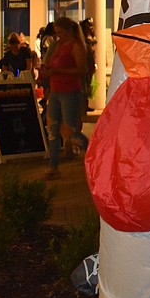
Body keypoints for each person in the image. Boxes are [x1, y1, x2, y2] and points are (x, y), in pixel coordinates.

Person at [43, 16, 89, 179]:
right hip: (55, 90)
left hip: (70, 91)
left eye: (61, 32)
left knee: (70, 131)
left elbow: (82, 69)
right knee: (52, 130)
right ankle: (53, 166)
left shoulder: (76, 46)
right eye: (57, 33)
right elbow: (49, 64)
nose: (58, 36)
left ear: (69, 31)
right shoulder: (56, 45)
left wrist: (58, 71)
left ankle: (92, 152)